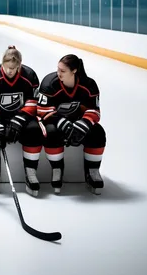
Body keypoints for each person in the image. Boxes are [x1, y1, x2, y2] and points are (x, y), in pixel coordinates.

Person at [38, 54, 105, 194]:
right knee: (51, 132)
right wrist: (61, 122)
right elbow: (42, 110)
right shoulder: (49, 83)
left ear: (74, 71)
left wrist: (83, 123)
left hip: (78, 122)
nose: (58, 73)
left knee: (98, 132)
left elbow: (95, 111)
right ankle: (57, 169)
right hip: (56, 122)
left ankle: (92, 171)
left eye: (62, 71)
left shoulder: (89, 85)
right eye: (58, 69)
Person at [0, 46, 41, 197]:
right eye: (7, 68)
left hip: (22, 118)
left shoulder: (30, 75)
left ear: (20, 65)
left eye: (14, 68)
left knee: (34, 130)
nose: (10, 71)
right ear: (2, 64)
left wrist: (19, 121)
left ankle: (30, 172)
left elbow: (33, 102)